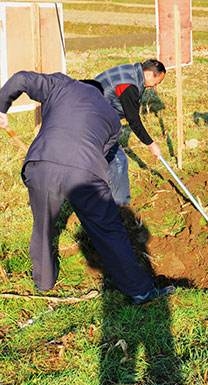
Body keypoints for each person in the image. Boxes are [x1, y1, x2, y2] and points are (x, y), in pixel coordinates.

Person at [0, 71, 173, 304]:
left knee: (43, 225)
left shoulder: (61, 85)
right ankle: (140, 291)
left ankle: (43, 282)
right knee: (109, 231)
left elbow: (21, 78)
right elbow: (104, 156)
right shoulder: (112, 119)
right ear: (101, 95)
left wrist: (2, 108)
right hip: (85, 173)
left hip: (41, 165)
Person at [94, 59, 166, 206]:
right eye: (157, 82)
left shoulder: (132, 71)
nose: (155, 87)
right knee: (118, 160)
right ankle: (121, 206)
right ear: (150, 74)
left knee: (103, 158)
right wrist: (150, 144)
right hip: (92, 119)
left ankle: (104, 193)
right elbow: (133, 119)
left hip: (94, 112)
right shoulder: (129, 86)